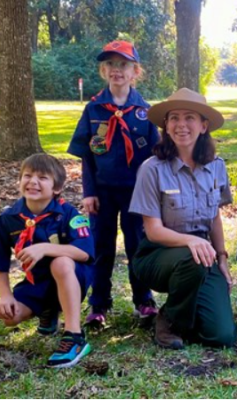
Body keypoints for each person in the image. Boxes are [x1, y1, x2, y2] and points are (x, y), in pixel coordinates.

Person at [130, 87, 236, 349]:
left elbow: (214, 218)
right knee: (194, 258)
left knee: (221, 336)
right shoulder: (151, 169)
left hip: (203, 254)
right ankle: (169, 319)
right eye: (173, 118)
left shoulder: (217, 167)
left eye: (189, 117)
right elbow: (153, 231)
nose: (181, 125)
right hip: (158, 254)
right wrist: (192, 242)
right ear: (166, 125)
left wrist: (221, 258)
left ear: (203, 125)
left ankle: (188, 310)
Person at [68, 40, 160, 328]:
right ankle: (99, 305)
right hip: (103, 192)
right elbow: (86, 156)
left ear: (135, 71)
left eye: (123, 65)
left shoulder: (146, 112)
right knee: (101, 247)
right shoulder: (94, 109)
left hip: (136, 193)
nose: (116, 70)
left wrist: (154, 195)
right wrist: (89, 193)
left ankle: (143, 300)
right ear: (103, 70)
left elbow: (155, 158)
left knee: (137, 246)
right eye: (110, 64)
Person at [0, 154, 94, 368]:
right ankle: (48, 311)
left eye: (43, 177)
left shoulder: (68, 214)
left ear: (57, 188)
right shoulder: (9, 219)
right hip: (38, 282)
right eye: (27, 176)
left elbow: (85, 253)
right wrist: (5, 296)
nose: (33, 181)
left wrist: (45, 248)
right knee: (10, 317)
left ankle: (74, 336)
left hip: (73, 277)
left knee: (60, 262)